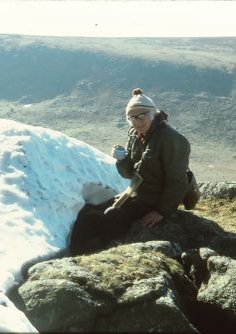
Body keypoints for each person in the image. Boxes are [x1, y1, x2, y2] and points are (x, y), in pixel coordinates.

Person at [69, 88, 191, 255]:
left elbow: (177, 181)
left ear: (153, 114)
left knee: (112, 216)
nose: (137, 122)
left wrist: (162, 211)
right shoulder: (135, 135)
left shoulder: (171, 139)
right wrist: (123, 160)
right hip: (137, 194)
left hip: (156, 199)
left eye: (142, 116)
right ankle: (76, 256)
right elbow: (128, 174)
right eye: (132, 117)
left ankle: (107, 253)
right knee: (88, 212)